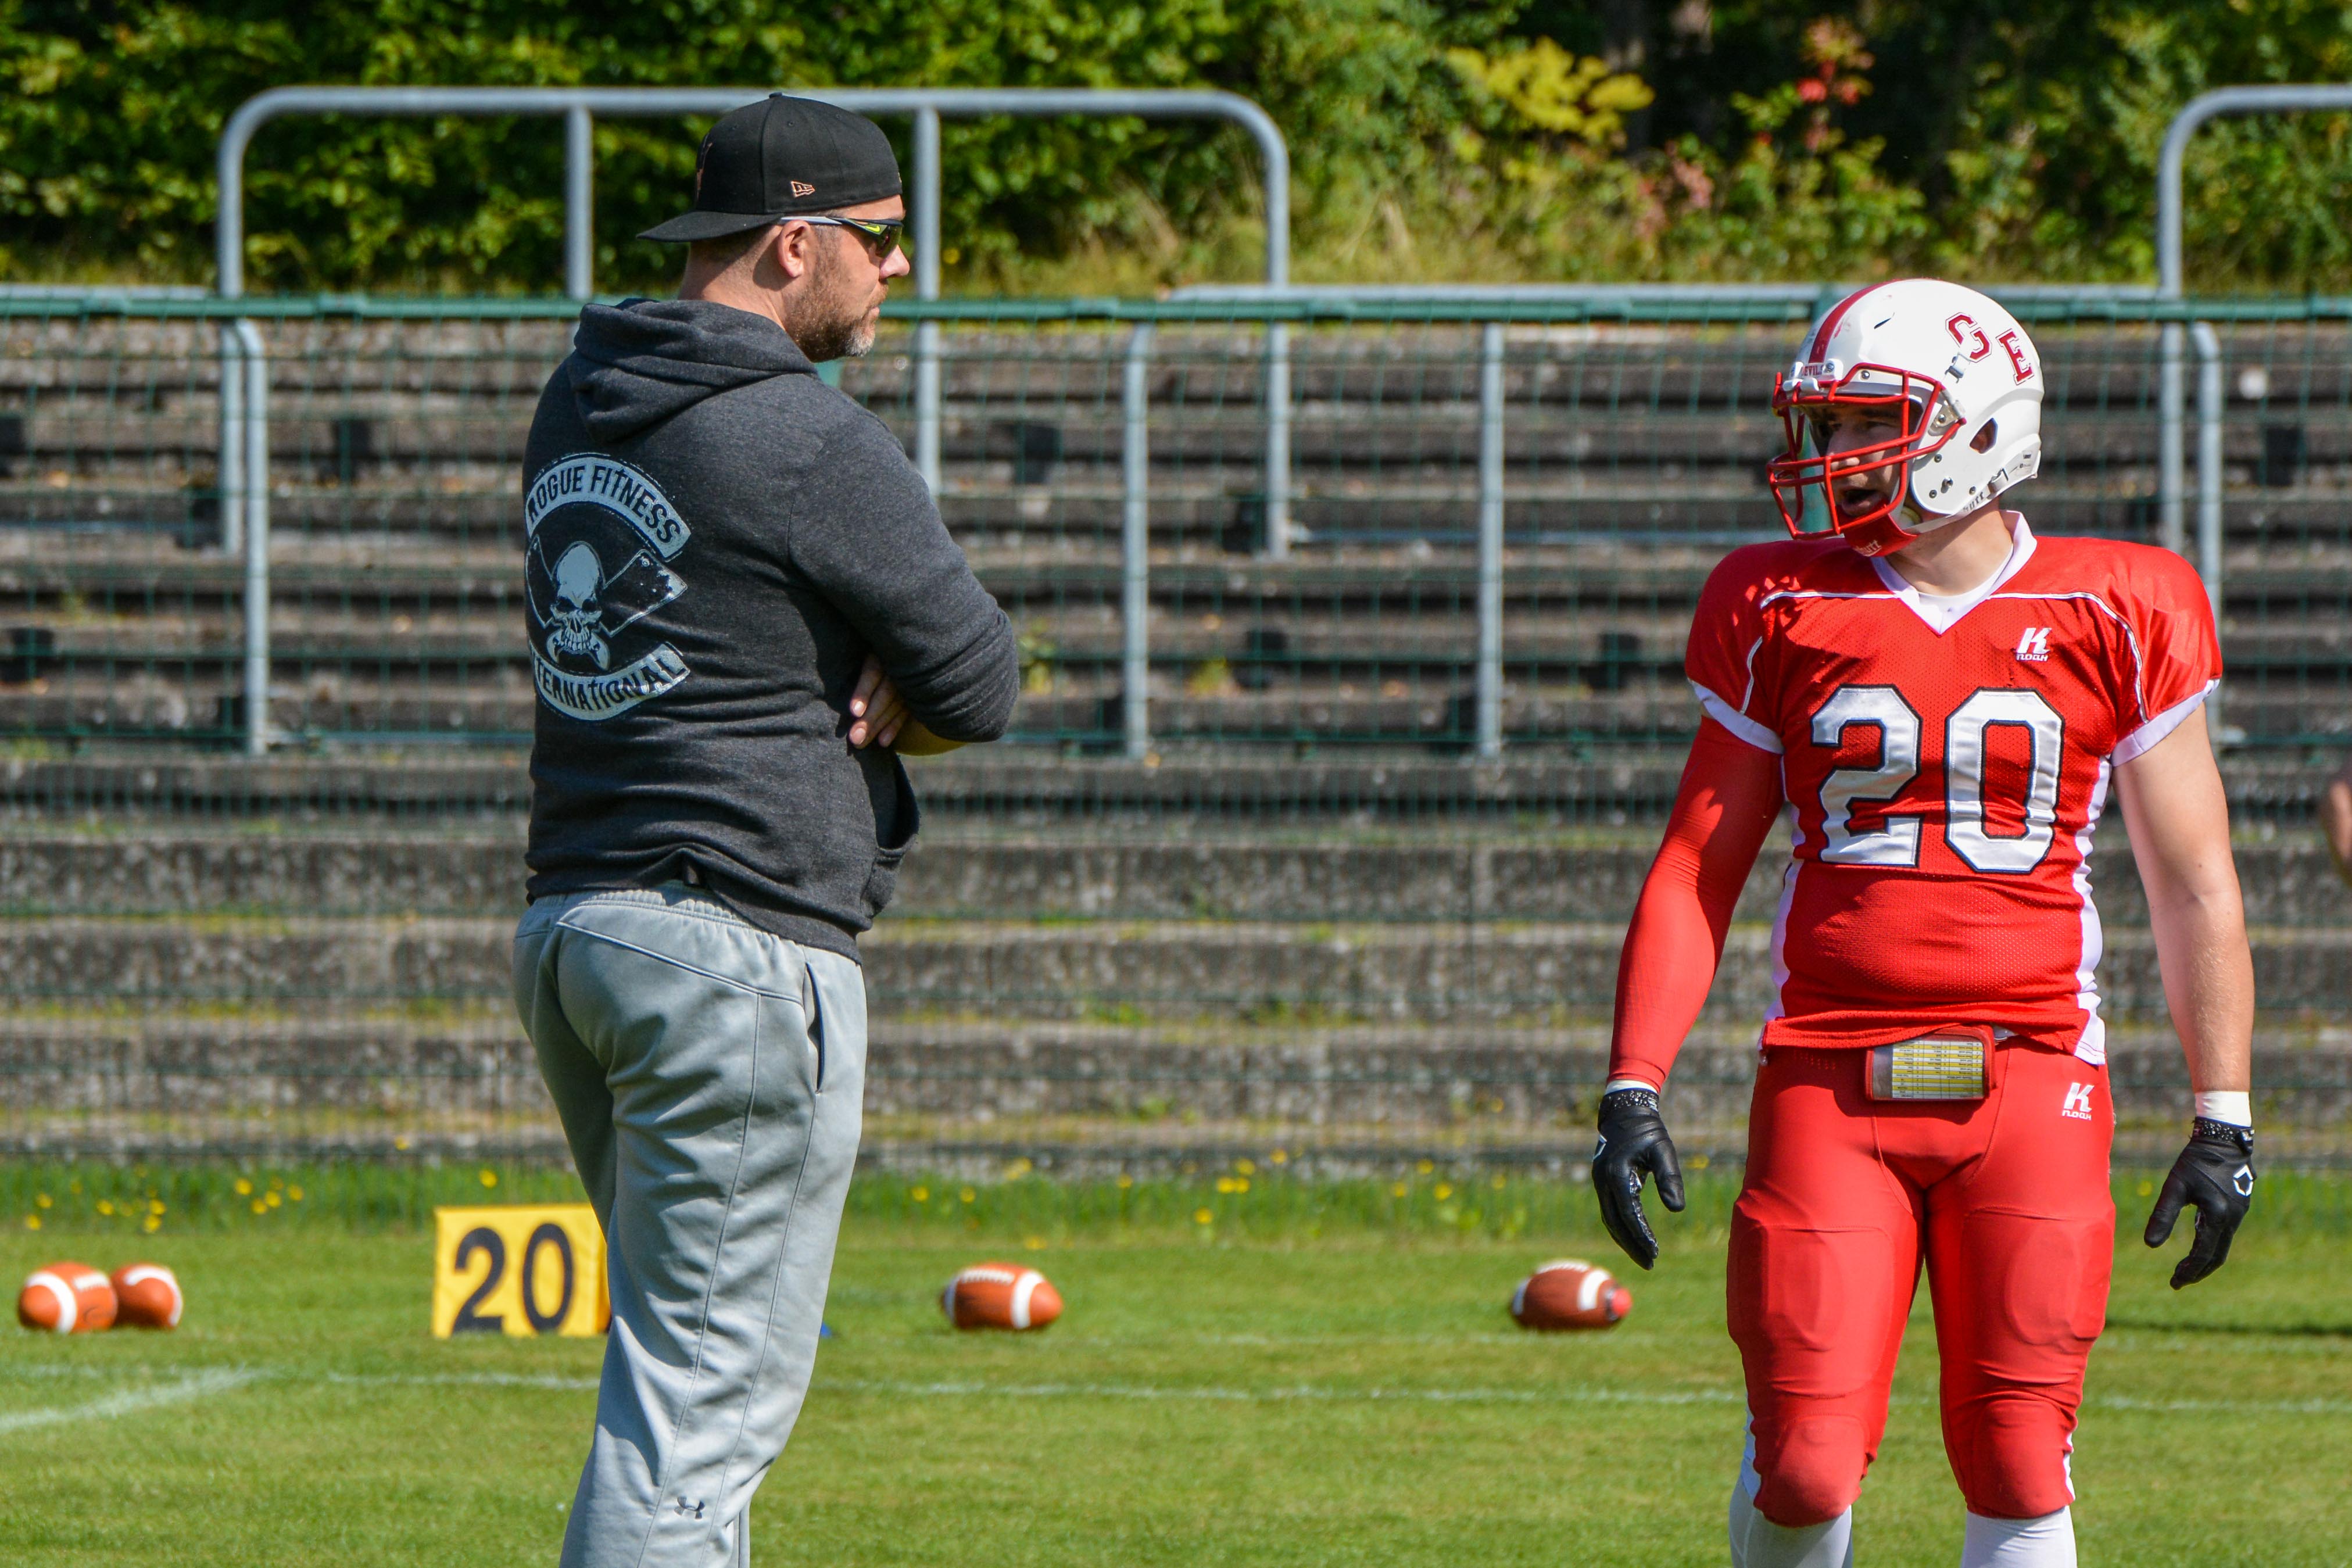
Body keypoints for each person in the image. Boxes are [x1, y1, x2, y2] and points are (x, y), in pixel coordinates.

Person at [1590, 280, 2257, 1568]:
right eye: (1829, 422)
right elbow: (1696, 863)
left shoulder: (2118, 600)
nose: (1830, 456)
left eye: (1863, 421)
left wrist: (2219, 1108)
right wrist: (1632, 1080)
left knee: (2016, 1454)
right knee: (1800, 1465)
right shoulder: (1776, 598)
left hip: (2032, 1071)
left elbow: (2191, 879)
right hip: (1828, 1073)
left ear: (1979, 429)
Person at [511, 95, 1019, 1567]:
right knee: (691, 1430)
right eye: (881, 241)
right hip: (729, 952)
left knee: (677, 1396)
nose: (899, 272)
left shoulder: (578, 393)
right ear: (796, 243)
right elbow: (978, 680)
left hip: (580, 930)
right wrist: (894, 690)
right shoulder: (800, 433)